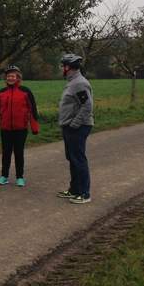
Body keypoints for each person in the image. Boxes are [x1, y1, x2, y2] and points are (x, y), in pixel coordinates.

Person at [0, 65, 39, 187]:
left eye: (13, 76)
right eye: (8, 76)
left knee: (19, 153)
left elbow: (33, 110)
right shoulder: (1, 93)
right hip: (5, 129)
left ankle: (20, 177)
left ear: (18, 77)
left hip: (21, 129)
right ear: (6, 78)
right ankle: (4, 176)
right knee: (6, 153)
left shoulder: (25, 92)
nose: (10, 78)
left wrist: (34, 127)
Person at [56, 54, 94, 204]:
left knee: (78, 160)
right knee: (72, 158)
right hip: (70, 126)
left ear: (68, 67)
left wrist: (74, 124)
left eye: (62, 66)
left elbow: (87, 106)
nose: (61, 69)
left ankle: (84, 193)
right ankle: (74, 190)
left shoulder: (79, 83)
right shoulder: (73, 82)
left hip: (78, 127)